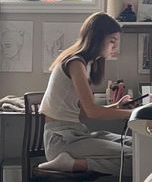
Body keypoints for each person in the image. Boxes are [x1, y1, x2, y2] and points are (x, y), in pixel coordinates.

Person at [38, 12, 134, 178]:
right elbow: (92, 112)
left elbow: (83, 111)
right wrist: (135, 113)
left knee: (138, 145)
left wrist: (116, 107)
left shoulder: (84, 64)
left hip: (76, 134)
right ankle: (72, 164)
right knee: (135, 157)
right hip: (61, 141)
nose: (115, 48)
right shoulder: (75, 63)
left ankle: (72, 163)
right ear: (97, 39)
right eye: (112, 41)